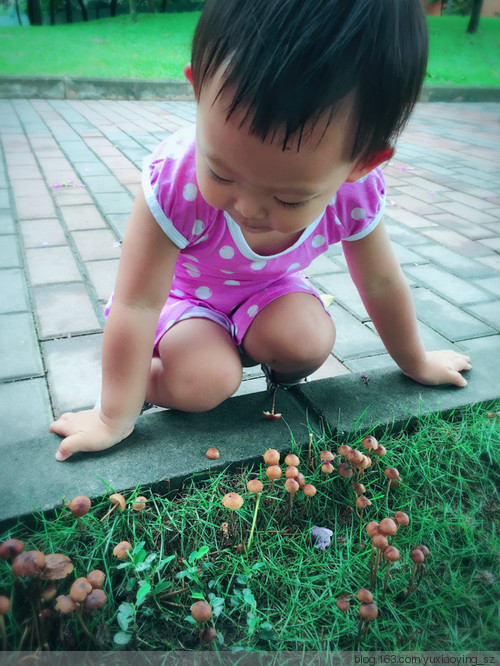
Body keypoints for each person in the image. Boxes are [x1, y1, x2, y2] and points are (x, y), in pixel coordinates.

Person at [50, 0, 471, 461]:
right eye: (222, 172)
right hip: (184, 301)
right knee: (207, 381)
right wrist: (113, 415)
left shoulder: (356, 191)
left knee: (309, 341)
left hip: (268, 292)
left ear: (361, 162)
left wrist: (416, 361)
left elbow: (381, 280)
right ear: (198, 92)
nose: (247, 207)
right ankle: (150, 378)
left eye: (290, 198)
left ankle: (236, 351)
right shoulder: (177, 181)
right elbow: (137, 302)